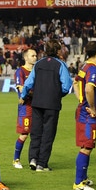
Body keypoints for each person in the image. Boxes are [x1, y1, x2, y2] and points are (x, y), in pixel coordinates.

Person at [20, 39, 72, 172]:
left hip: (37, 102)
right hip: (52, 104)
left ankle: (33, 158)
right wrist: (56, 95)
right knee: (48, 133)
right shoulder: (60, 65)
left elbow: (28, 83)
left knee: (36, 131)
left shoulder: (38, 64)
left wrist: (23, 96)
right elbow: (66, 86)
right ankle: (41, 164)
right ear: (58, 50)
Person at [72, 41, 96, 190]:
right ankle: (78, 183)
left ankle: (83, 178)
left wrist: (80, 101)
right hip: (87, 115)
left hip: (82, 112)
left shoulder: (84, 66)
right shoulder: (93, 69)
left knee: (88, 146)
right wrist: (91, 108)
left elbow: (75, 83)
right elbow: (89, 89)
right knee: (87, 146)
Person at [13, 48, 37, 169]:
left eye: (36, 55)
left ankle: (34, 159)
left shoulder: (37, 71)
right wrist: (36, 94)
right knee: (24, 134)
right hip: (26, 108)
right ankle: (16, 159)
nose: (35, 57)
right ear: (26, 58)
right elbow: (22, 89)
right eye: (32, 56)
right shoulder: (20, 71)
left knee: (37, 134)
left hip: (37, 107)